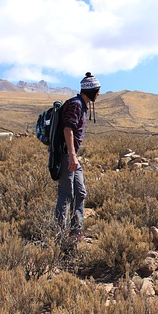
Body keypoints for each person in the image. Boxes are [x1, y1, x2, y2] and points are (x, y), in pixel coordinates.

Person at [54, 72, 101, 239]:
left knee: (80, 192)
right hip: (66, 154)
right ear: (91, 91)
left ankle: (76, 230)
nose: (98, 94)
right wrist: (72, 156)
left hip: (71, 155)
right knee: (66, 194)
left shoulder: (81, 104)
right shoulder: (75, 104)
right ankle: (59, 235)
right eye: (97, 90)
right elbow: (68, 129)